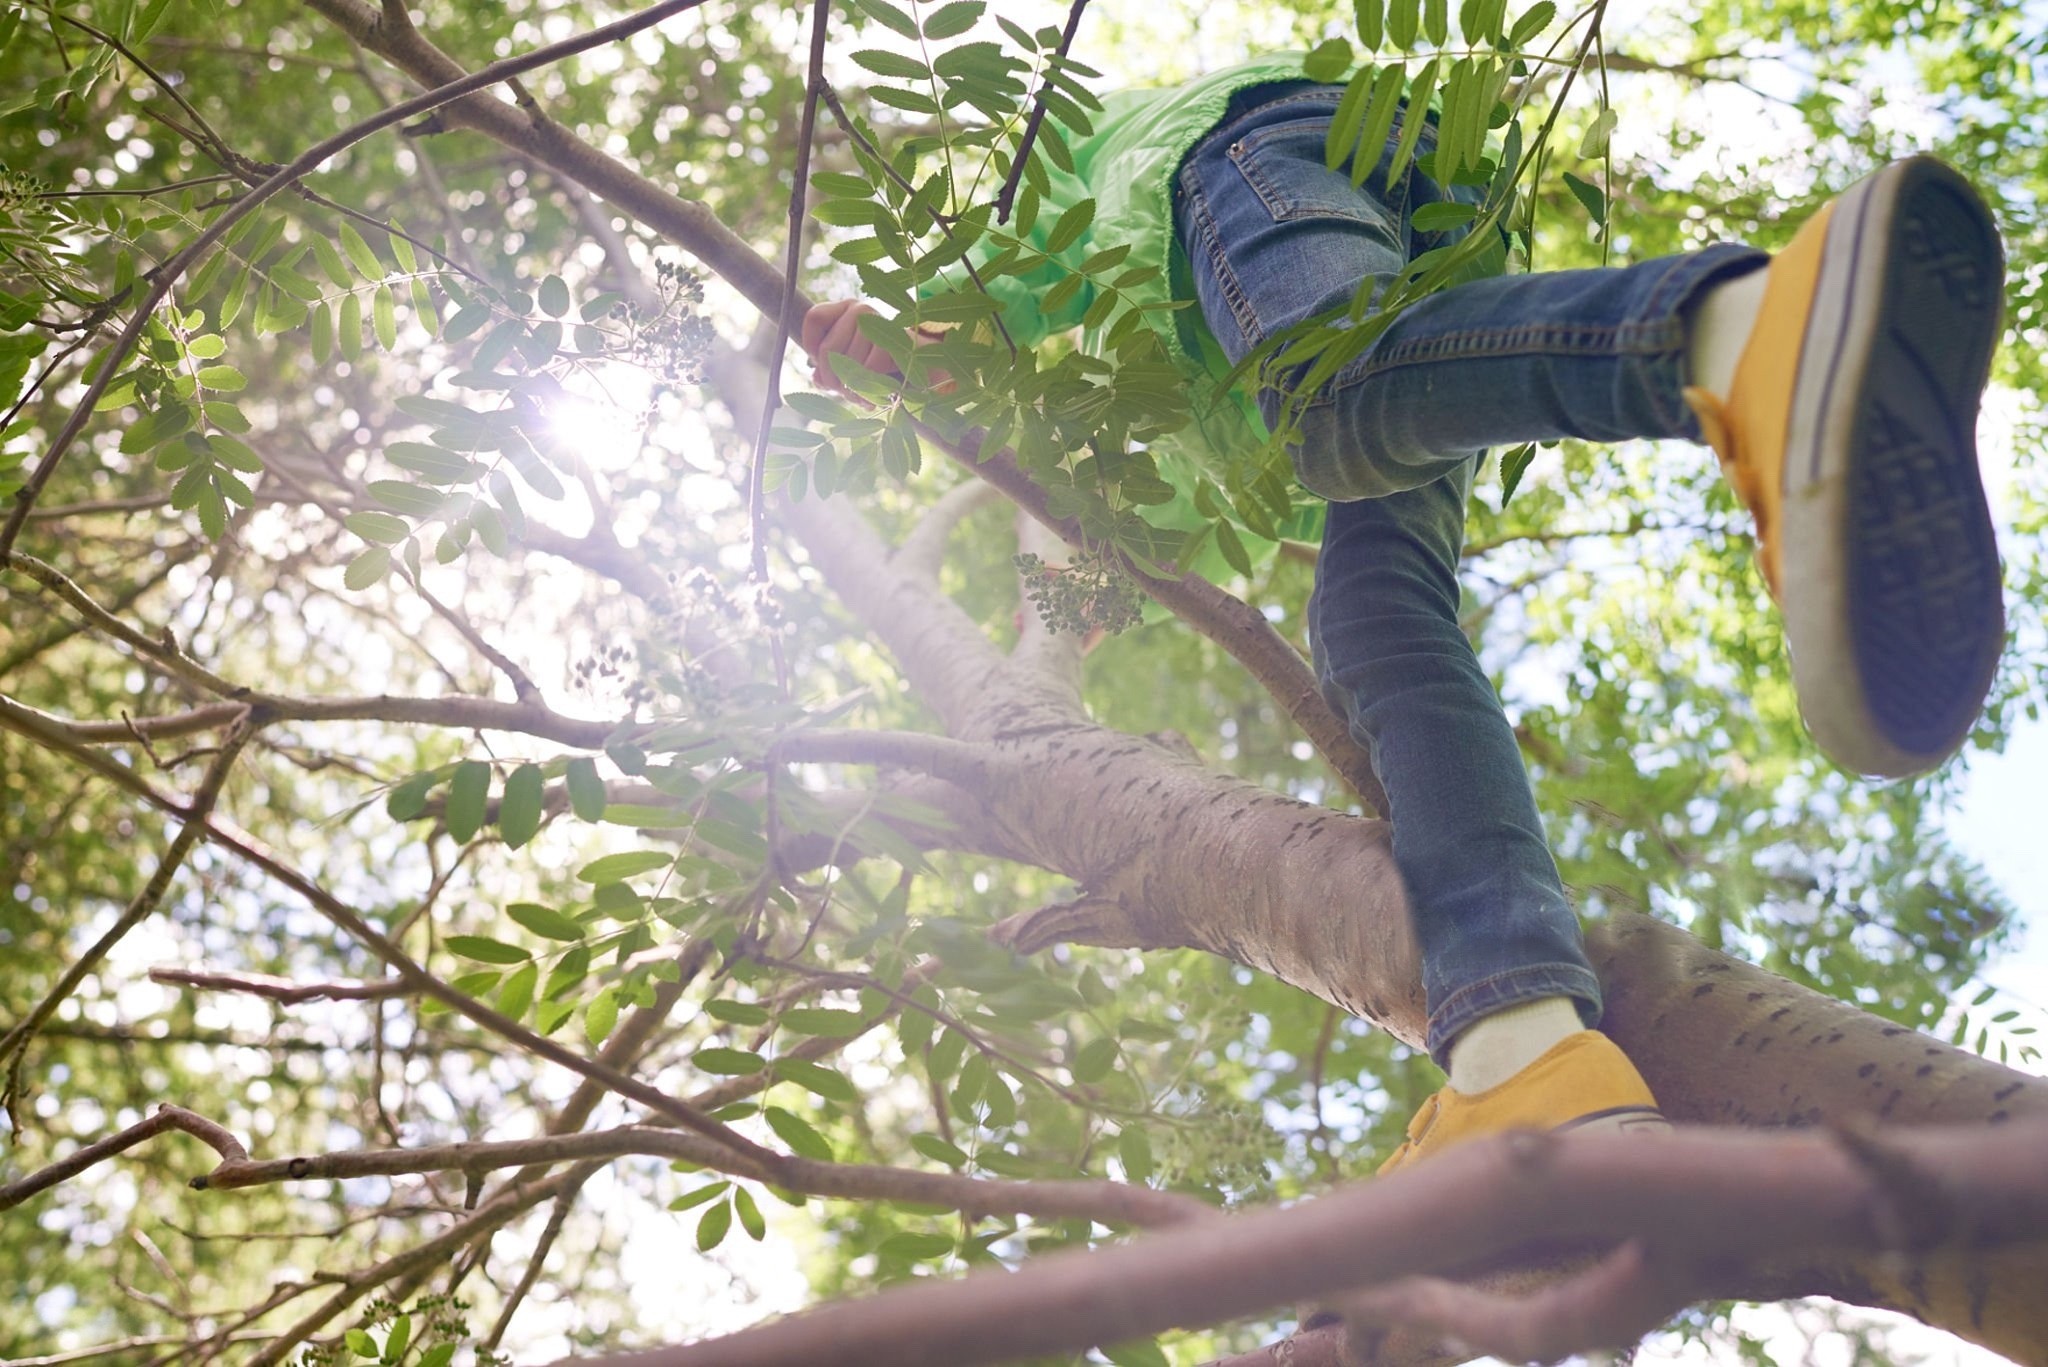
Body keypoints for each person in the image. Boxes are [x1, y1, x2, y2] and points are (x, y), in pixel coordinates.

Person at [801, 52, 2007, 1172]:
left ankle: (1735, 333)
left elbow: (1041, 249)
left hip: (1259, 152)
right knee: (1374, 613)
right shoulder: (1121, 381)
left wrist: (928, 331)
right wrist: (1092, 572)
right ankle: (1524, 1054)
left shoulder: (1066, 216)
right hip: (1449, 264)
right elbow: (1165, 492)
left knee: (1328, 398)